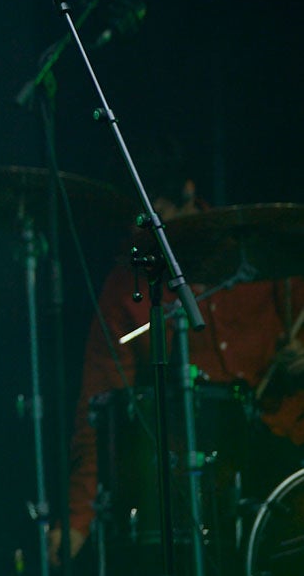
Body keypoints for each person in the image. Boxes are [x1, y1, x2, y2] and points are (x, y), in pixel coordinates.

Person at [52, 175, 304, 568]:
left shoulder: (258, 248)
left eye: (155, 213)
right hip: (187, 488)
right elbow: (98, 409)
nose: (139, 230)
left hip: (285, 458)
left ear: (187, 191)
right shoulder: (127, 284)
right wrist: (78, 518)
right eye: (132, 219)